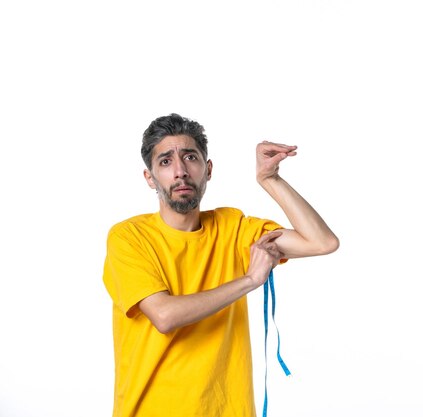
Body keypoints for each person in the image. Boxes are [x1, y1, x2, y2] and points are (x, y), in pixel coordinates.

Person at [102, 113, 339, 417]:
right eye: (165, 162)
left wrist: (270, 179)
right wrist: (250, 280)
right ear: (150, 178)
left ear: (208, 169)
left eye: (190, 157)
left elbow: (321, 242)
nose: (180, 171)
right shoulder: (129, 237)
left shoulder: (232, 228)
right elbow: (164, 315)